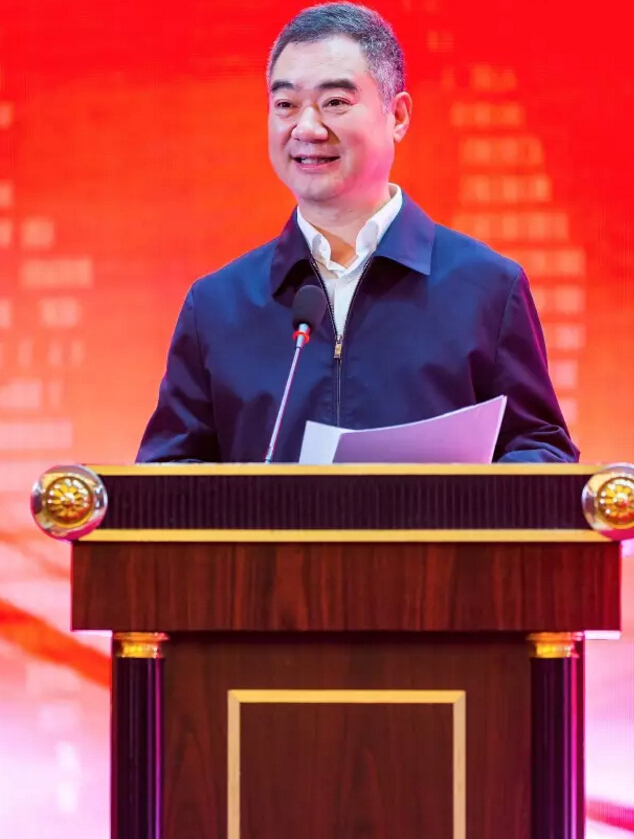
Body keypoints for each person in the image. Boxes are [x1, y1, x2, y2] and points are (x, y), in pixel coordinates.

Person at [136, 1, 579, 464]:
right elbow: (167, 472)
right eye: (285, 105)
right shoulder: (216, 306)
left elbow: (542, 450)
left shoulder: (486, 287)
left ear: (398, 116)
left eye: (335, 103)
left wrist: (456, 500)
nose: (307, 128)